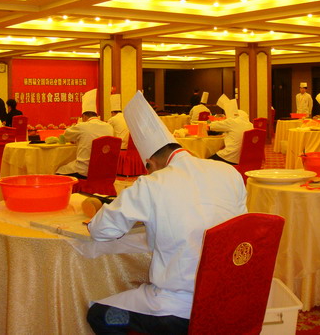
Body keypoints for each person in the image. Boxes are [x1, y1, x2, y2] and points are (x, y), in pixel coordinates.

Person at [86, 91, 247, 334]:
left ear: (149, 164)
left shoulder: (152, 183)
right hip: (229, 297)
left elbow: (101, 231)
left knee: (99, 314)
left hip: (177, 309)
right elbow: (241, 226)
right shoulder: (229, 173)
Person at [56, 89, 113, 179]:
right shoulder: (109, 127)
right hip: (105, 168)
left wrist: (77, 125)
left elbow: (66, 135)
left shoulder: (82, 126)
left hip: (84, 170)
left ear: (84, 116)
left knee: (58, 170)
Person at [209, 98, 254, 164]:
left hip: (230, 157)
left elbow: (212, 126)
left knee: (207, 160)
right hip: (245, 158)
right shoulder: (250, 125)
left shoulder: (232, 121)